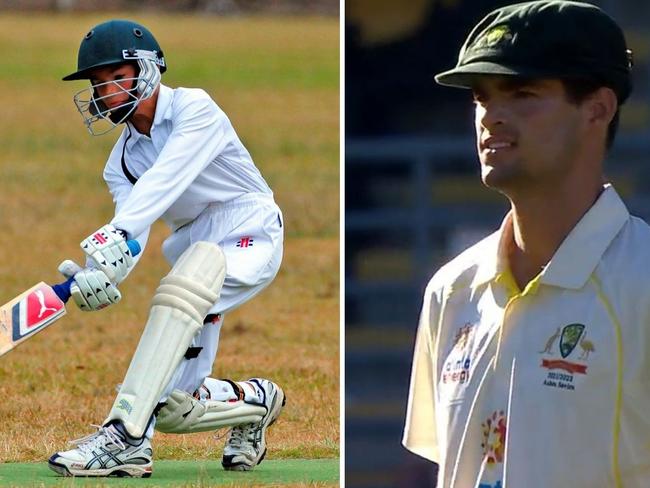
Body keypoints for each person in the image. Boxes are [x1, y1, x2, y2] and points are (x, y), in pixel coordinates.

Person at [402, 2, 649, 487]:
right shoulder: (451, 289)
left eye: (522, 93)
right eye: (481, 97)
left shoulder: (642, 279)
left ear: (598, 108)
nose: (491, 117)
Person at [48, 19, 286, 477]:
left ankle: (125, 438)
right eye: (99, 85)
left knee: (189, 277)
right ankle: (257, 402)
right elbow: (133, 230)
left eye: (117, 78)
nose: (107, 93)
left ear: (148, 70)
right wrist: (101, 272)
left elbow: (165, 180)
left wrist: (112, 239)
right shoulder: (119, 164)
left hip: (249, 229)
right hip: (191, 247)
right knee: (175, 405)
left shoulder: (196, 108)